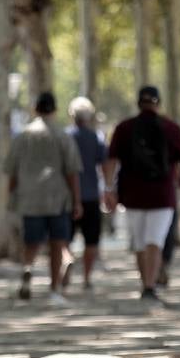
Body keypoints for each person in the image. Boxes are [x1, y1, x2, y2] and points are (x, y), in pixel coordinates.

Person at [103, 85, 180, 302]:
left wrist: (109, 189)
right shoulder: (170, 127)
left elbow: (111, 160)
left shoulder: (124, 128)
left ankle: (145, 282)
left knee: (139, 241)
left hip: (132, 195)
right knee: (155, 240)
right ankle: (150, 286)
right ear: (158, 102)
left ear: (138, 102)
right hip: (162, 194)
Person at [5, 91, 82, 304]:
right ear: (55, 110)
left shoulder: (22, 136)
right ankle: (54, 288)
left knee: (32, 241)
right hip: (57, 198)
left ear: (35, 109)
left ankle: (27, 270)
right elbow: (72, 172)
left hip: (30, 198)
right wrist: (77, 200)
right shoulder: (63, 136)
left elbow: (11, 171)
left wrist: (10, 196)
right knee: (57, 243)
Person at [63, 96, 107, 291]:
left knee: (64, 237)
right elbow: (104, 165)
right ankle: (87, 278)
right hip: (90, 196)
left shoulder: (65, 137)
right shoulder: (96, 137)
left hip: (67, 197)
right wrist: (108, 190)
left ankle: (67, 260)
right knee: (91, 240)